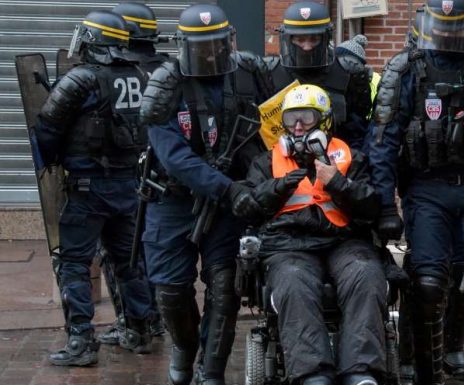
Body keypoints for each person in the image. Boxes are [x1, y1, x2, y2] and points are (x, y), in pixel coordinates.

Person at [366, 1, 464, 384]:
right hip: (427, 190)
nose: (449, 35)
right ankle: (427, 374)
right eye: (443, 26)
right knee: (428, 283)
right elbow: (383, 141)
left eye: (457, 27)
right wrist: (386, 203)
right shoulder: (406, 70)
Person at [139, 4, 272, 384]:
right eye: (202, 46)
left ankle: (210, 373)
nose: (211, 53)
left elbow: (271, 128)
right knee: (171, 288)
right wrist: (226, 188)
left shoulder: (247, 72)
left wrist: (253, 183)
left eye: (218, 44)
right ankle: (183, 348)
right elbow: (173, 155)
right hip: (175, 200)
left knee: (225, 286)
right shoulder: (166, 81)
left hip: (230, 204)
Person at [233, 84, 385, 385]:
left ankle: (360, 373)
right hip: (288, 246)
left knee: (366, 273)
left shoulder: (350, 157)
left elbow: (372, 207)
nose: (298, 127)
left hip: (345, 242)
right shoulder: (266, 162)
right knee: (293, 281)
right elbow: (245, 207)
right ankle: (313, 376)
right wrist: (276, 188)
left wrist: (338, 183)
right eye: (291, 120)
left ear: (324, 122)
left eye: (306, 118)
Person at [34, 10, 154, 365]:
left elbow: (47, 128)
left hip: (89, 189)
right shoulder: (136, 74)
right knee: (128, 262)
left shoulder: (81, 79)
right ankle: (139, 329)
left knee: (73, 262)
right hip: (128, 185)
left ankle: (81, 342)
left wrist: (56, 161)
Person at [96, 1, 168, 346]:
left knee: (122, 254)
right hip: (164, 176)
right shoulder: (170, 68)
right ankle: (156, 318)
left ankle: (133, 320)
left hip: (125, 175)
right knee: (153, 249)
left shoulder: (119, 70)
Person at [262, 1, 372, 151]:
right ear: (288, 39)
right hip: (284, 161)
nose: (307, 47)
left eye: (314, 40)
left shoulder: (347, 72)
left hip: (338, 158)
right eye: (300, 40)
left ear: (325, 39)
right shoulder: (270, 74)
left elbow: (359, 130)